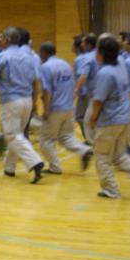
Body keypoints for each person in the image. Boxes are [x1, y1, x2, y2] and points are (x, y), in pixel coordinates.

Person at [89, 37, 130, 199]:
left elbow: (98, 100)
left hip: (110, 120)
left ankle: (111, 189)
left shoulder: (105, 73)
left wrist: (92, 119)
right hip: (125, 117)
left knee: (102, 156)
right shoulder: (121, 64)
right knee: (119, 155)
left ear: (102, 53)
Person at [0, 27, 44, 184]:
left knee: (12, 135)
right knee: (17, 134)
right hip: (27, 100)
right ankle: (9, 168)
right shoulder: (30, 56)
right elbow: (36, 82)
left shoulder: (2, 56)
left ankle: (35, 162)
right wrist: (35, 102)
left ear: (7, 39)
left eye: (2, 37)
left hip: (11, 101)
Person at [37, 42, 92, 174]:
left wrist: (46, 109)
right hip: (69, 107)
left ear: (44, 53)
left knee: (45, 139)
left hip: (55, 108)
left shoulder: (46, 67)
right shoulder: (66, 64)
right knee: (66, 136)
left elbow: (47, 90)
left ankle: (54, 167)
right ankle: (84, 150)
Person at [74, 33, 98, 143]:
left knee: (87, 120)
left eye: (84, 42)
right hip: (104, 93)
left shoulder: (86, 58)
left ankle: (92, 144)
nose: (82, 44)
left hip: (94, 94)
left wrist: (75, 91)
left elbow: (83, 76)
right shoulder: (100, 54)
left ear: (89, 45)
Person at [72, 35, 88, 139]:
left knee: (80, 116)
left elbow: (82, 76)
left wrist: (76, 90)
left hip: (85, 92)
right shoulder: (84, 57)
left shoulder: (80, 59)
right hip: (86, 92)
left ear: (77, 47)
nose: (71, 47)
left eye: (72, 45)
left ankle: (89, 139)